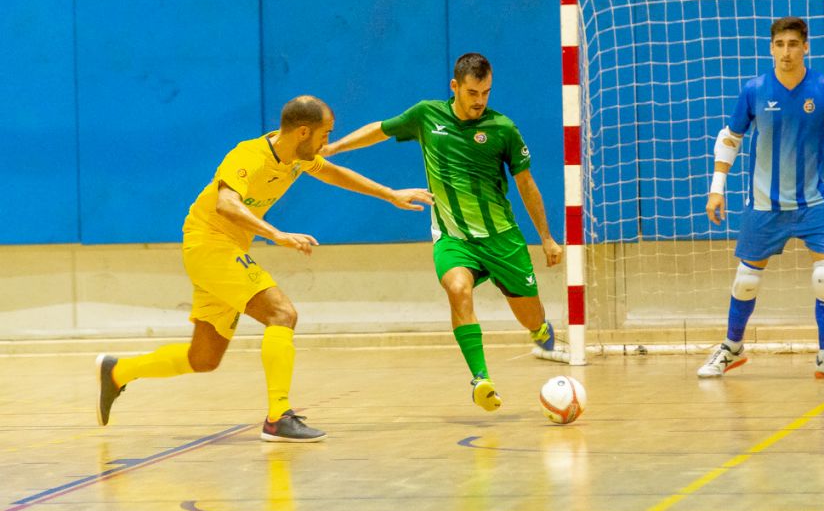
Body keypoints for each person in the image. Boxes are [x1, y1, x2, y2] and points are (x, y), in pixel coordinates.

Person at [96, 95, 432, 441]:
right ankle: (277, 417)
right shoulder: (248, 157)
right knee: (281, 313)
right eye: (325, 134)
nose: (327, 142)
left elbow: (333, 174)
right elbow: (227, 204)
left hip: (223, 250)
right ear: (304, 132)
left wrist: (390, 193)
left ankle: (118, 371)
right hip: (209, 244)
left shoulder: (296, 157)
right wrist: (276, 234)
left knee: (204, 358)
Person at [319, 53, 563, 412]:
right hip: (453, 238)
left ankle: (540, 328)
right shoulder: (426, 116)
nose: (480, 101)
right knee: (457, 288)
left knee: (529, 317)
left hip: (502, 239)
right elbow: (380, 129)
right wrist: (336, 147)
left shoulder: (503, 129)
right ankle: (481, 379)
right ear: (455, 87)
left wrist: (546, 237)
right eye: (472, 92)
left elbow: (526, 184)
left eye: (486, 92)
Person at [701, 17, 824, 380]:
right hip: (764, 204)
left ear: (806, 46)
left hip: (815, 204)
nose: (786, 51)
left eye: (793, 44)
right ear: (771, 48)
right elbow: (730, 138)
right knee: (745, 281)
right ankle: (732, 348)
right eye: (779, 44)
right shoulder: (754, 89)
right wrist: (716, 188)